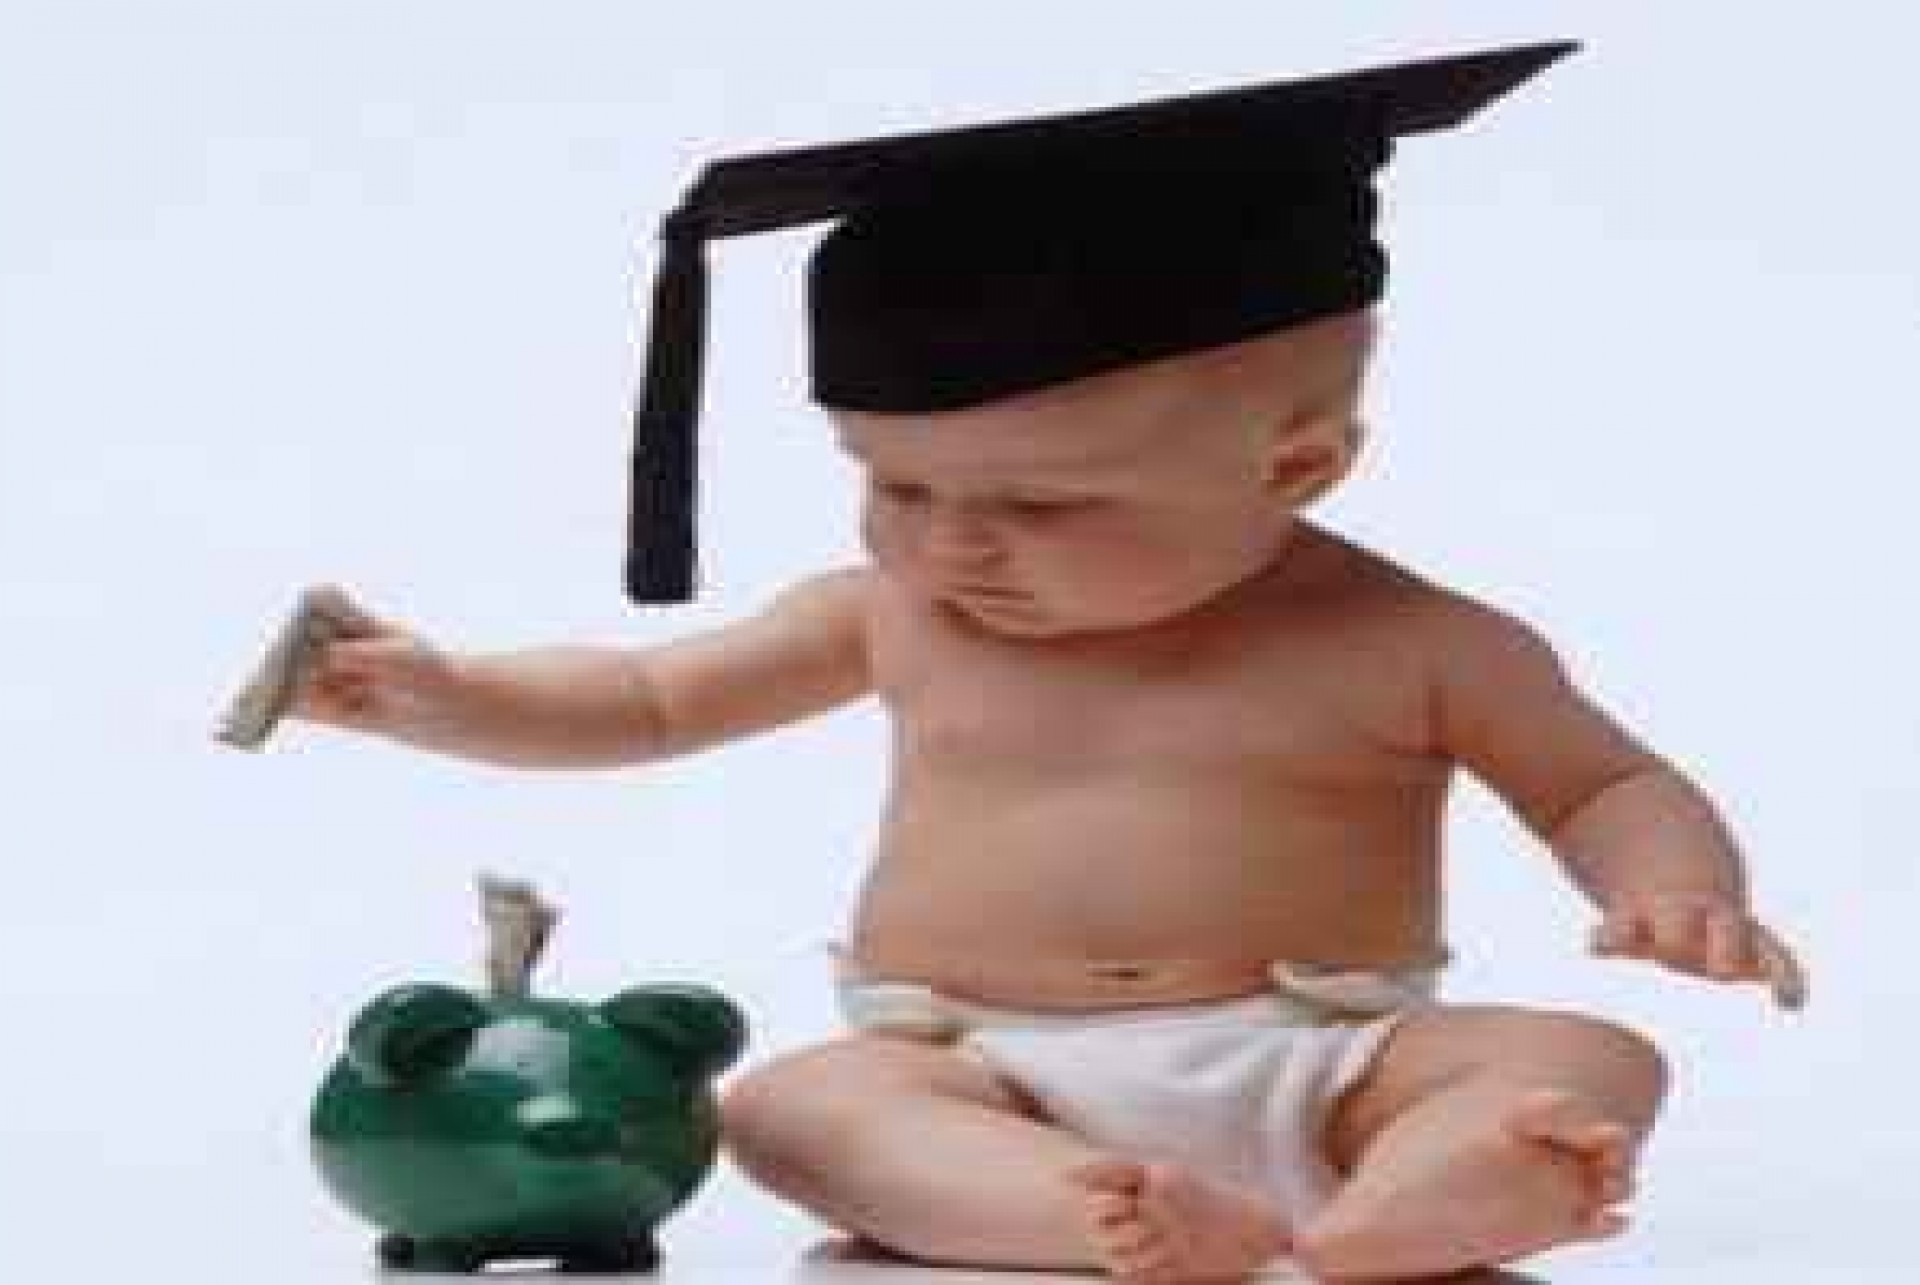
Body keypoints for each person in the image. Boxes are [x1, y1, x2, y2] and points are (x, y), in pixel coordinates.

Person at [288, 42, 1807, 1284]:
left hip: (1331, 1057)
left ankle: (1435, 1186)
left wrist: (1676, 886)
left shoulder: (1417, 642)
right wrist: (453, 696)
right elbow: (649, 699)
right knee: (802, 1109)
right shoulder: (889, 613)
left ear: (1299, 462)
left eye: (1042, 505)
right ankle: (1092, 1211)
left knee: (1581, 1052)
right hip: (982, 1067)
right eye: (896, 484)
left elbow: (1602, 783)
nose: (953, 544)